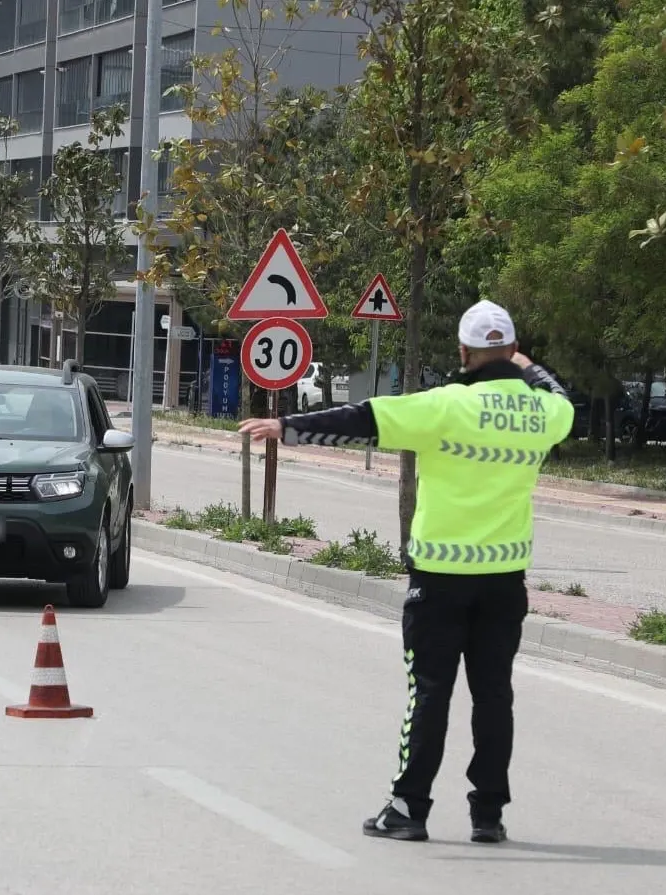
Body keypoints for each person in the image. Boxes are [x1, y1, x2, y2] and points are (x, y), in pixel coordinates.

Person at [239, 300, 574, 844]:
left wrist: (288, 426)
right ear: (512, 351)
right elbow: (562, 398)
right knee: (494, 697)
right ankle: (488, 815)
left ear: (463, 352)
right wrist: (528, 367)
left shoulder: (445, 406)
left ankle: (408, 809)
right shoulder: (542, 414)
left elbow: (365, 420)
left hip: (440, 579)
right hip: (505, 582)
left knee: (430, 694)